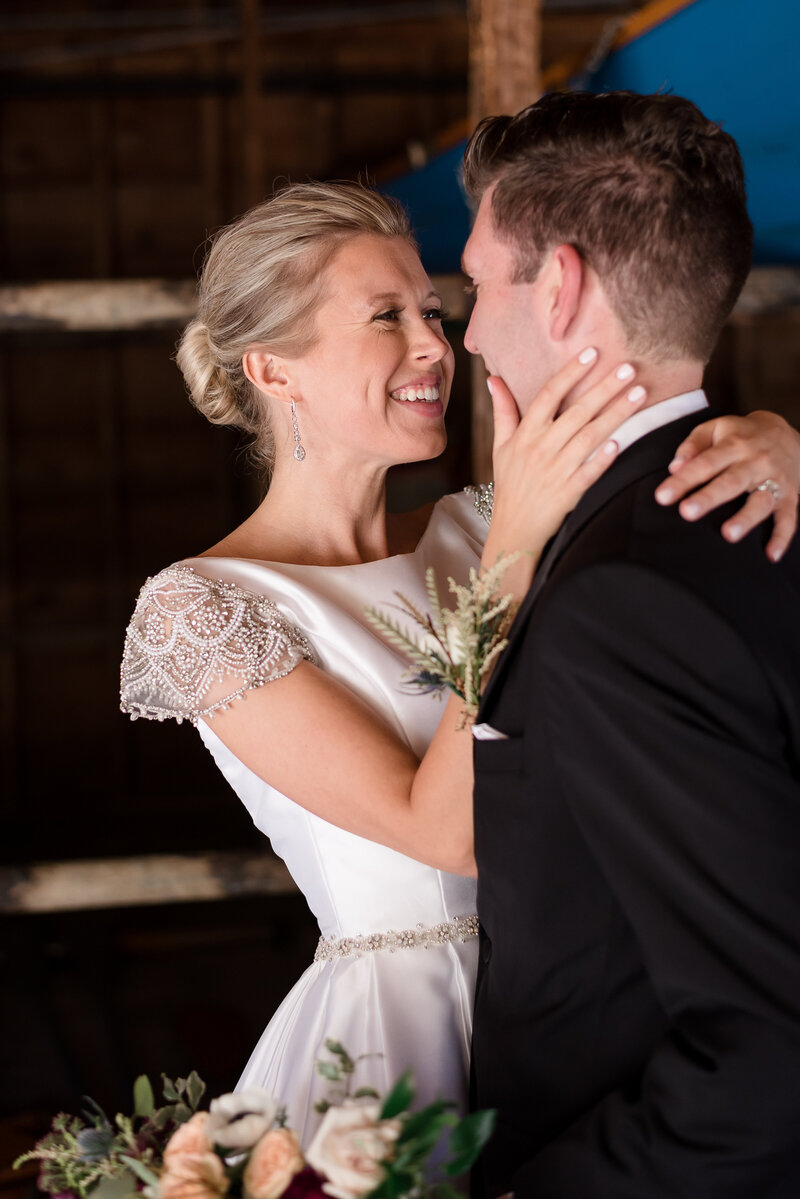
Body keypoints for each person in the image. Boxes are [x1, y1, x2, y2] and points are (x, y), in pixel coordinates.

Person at [120, 180, 798, 1143]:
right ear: (273, 369)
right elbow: (439, 830)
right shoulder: (203, 607)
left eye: (434, 310)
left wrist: (778, 438)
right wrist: (513, 554)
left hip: (593, 1006)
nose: (438, 345)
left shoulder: (481, 518)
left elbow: (671, 478)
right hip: (397, 1049)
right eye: (386, 316)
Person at [464, 91, 800, 1197]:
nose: (464, 332)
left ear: (556, 286)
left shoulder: (619, 600)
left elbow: (766, 1047)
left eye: (474, 285)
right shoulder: (765, 517)